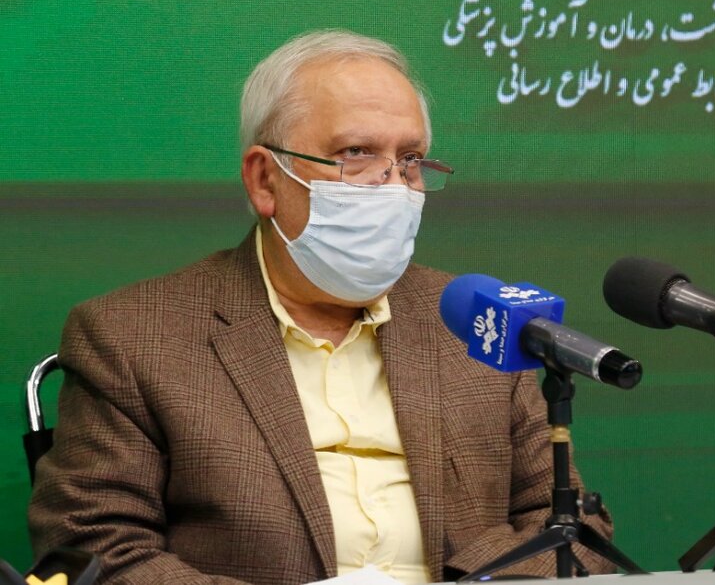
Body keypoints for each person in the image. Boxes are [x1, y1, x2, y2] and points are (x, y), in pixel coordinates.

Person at [28, 30, 614, 584]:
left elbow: (570, 525)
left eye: (410, 160)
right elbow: (94, 549)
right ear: (265, 180)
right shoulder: (134, 337)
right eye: (355, 153)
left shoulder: (477, 324)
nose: (392, 185)